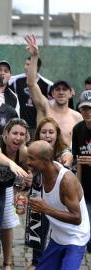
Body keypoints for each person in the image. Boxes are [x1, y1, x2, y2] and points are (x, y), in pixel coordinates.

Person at [27, 140, 90, 270]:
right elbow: (33, 200)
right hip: (57, 236)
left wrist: (46, 209)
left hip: (75, 238)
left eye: (32, 158)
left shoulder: (66, 181)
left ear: (46, 160)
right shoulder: (39, 174)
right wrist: (22, 203)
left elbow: (77, 218)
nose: (28, 162)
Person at [27, 117, 74, 270]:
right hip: (38, 193)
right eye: (44, 132)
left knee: (60, 230)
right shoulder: (33, 149)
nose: (47, 136)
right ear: (38, 134)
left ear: (57, 134)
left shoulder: (62, 150)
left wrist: (64, 163)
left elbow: (68, 156)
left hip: (59, 198)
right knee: (38, 229)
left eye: (51, 132)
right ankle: (36, 262)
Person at [0, 118, 32, 270]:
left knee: (5, 225)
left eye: (22, 134)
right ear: (6, 133)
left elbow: (25, 175)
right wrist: (11, 163)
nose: (18, 137)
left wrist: (24, 187)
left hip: (3, 190)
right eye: (14, 133)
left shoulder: (23, 152)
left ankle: (7, 263)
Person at [25, 35, 82, 146]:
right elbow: (31, 83)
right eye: (57, 89)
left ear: (71, 93)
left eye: (65, 89)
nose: (61, 92)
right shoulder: (45, 107)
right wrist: (34, 56)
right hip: (44, 157)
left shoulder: (77, 117)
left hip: (67, 160)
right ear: (52, 93)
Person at [8, 50, 53, 134]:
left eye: (29, 64)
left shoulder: (48, 85)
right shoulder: (15, 81)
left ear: (36, 66)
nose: (26, 67)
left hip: (37, 125)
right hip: (20, 124)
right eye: (25, 64)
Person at [72, 90, 91, 253]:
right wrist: (78, 185)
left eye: (90, 108)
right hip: (86, 186)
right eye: (85, 108)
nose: (88, 112)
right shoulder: (78, 129)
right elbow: (77, 159)